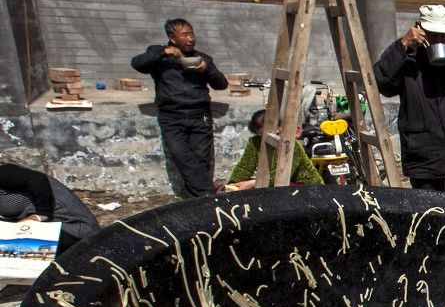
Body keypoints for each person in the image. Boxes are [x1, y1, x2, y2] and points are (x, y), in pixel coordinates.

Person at [374, 4, 445, 194]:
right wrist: (402, 45)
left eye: (444, 36)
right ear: (420, 28)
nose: (440, 40)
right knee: (431, 214)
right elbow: (382, 83)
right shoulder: (407, 54)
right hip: (424, 149)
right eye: (434, 35)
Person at [131, 18, 228, 198]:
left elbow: (222, 84)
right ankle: (206, 194)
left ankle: (196, 199)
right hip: (172, 116)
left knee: (201, 158)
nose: (191, 38)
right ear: (172, 38)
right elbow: (137, 63)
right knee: (182, 157)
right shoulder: (159, 56)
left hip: (199, 115)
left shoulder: (202, 58)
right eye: (185, 35)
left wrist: (207, 70)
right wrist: (163, 52)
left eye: (192, 34)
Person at [0, 163, 99, 255]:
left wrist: (39, 216)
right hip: (40, 229)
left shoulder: (4, 173)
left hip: (73, 228)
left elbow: (37, 179)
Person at [224, 109, 323, 190]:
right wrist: (233, 184)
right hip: (275, 183)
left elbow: (282, 174)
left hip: (306, 188)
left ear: (279, 127)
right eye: (261, 135)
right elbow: (244, 166)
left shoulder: (291, 144)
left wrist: (252, 183)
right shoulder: (255, 142)